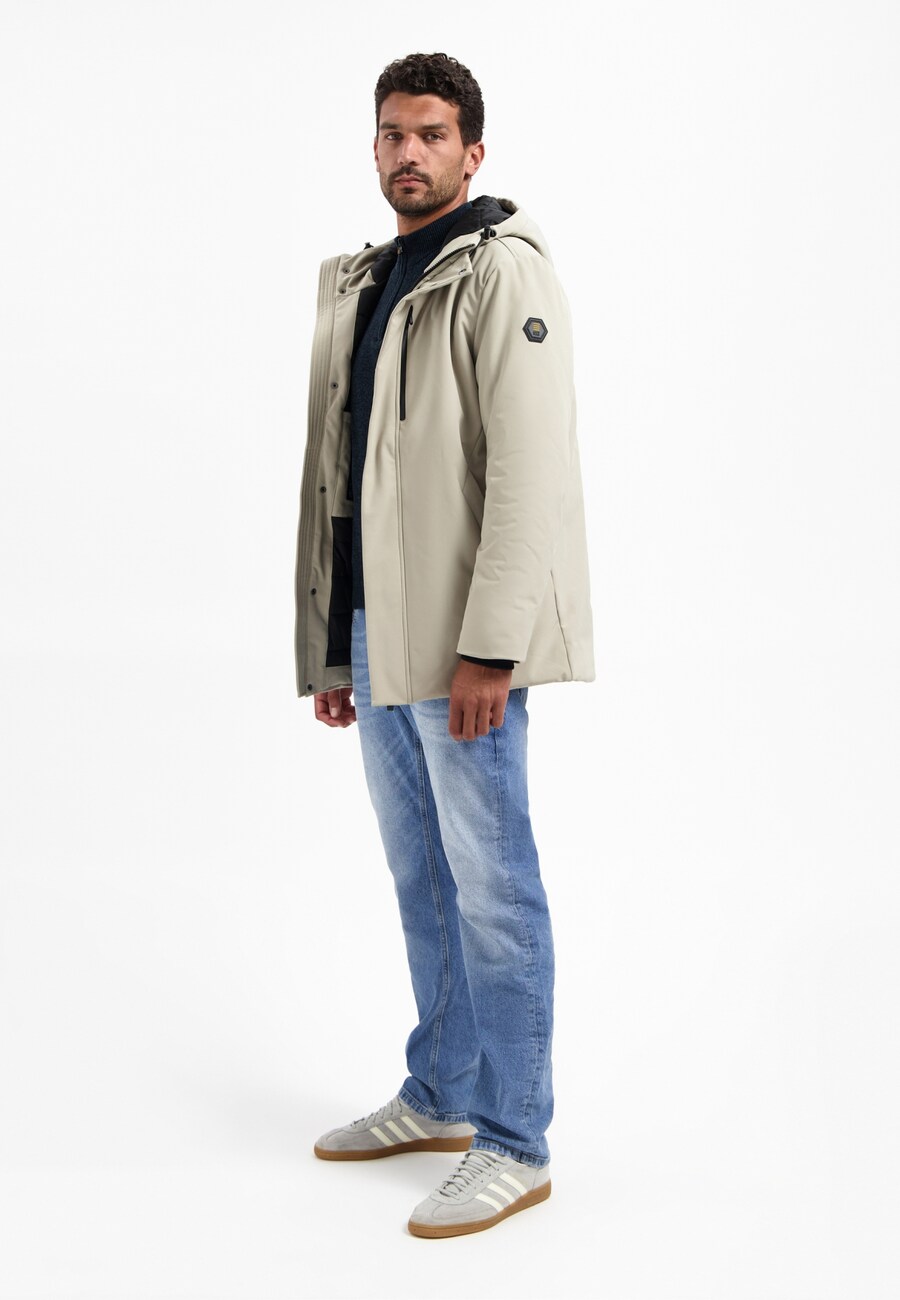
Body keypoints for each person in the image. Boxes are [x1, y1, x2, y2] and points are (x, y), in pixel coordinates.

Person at [293, 51, 594, 1238]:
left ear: (473, 151)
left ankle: (514, 1140)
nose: (407, 152)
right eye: (391, 133)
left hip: (466, 640)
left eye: (430, 134)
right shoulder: (372, 279)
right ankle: (442, 1092)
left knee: (494, 886)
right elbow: (346, 478)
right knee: (422, 876)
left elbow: (528, 471)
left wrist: (492, 648)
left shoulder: (502, 270)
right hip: (382, 630)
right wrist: (338, 648)